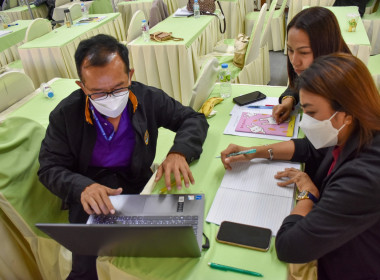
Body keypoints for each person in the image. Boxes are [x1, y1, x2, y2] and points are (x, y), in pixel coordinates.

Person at [38, 34, 209, 279]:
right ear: (82, 86)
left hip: (138, 182)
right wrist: (82, 187)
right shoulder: (65, 116)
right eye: (97, 92)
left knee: (167, 253)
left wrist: (178, 152)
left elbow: (193, 118)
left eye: (118, 88)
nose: (110, 99)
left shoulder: (147, 98)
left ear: (130, 75)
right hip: (92, 195)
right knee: (86, 270)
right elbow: (49, 168)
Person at [221, 53, 380, 279]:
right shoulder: (357, 129)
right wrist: (254, 152)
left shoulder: (364, 177)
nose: (306, 122)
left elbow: (289, 246)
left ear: (346, 115)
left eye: (312, 113)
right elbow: (309, 147)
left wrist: (307, 195)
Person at [272, 7, 351, 124]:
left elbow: (316, 141)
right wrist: (289, 99)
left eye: (304, 52)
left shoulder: (342, 87)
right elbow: (298, 80)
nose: (294, 61)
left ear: (326, 48)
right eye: (290, 50)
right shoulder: (315, 69)